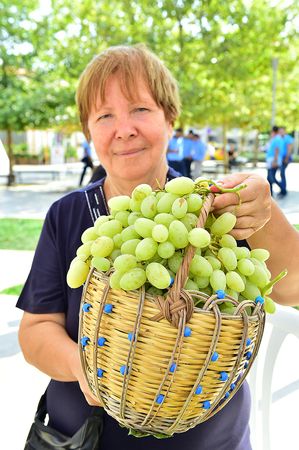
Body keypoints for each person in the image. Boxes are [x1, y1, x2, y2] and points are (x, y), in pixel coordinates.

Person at [17, 44, 299, 450]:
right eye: (104, 116)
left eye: (140, 110)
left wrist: (265, 212)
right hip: (83, 440)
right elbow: (36, 330)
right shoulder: (67, 216)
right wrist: (85, 367)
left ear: (170, 119)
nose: (124, 128)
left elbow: (293, 288)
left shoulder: (217, 209)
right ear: (88, 132)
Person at [266, 125, 283, 196]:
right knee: (270, 178)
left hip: (273, 161)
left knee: (271, 177)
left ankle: (283, 189)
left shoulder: (277, 139)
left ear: (273, 131)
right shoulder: (276, 138)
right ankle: (270, 193)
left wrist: (275, 161)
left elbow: (277, 150)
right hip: (272, 160)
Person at [278, 126, 294, 197]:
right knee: (281, 173)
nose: (281, 132)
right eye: (280, 131)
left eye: (282, 131)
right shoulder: (281, 138)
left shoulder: (287, 138)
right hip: (282, 158)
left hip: (286, 158)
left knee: (282, 173)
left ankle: (283, 190)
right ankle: (283, 189)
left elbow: (289, 148)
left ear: (285, 131)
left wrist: (287, 158)